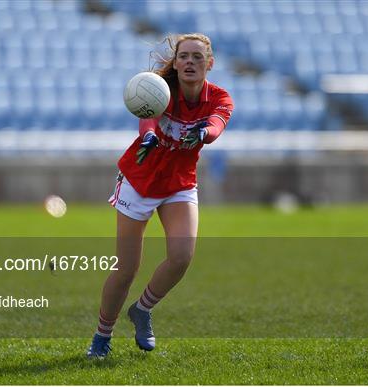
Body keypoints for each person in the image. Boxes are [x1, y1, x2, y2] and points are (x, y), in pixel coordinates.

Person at [87, 33, 234, 358]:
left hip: (179, 183)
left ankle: (142, 309)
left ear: (209, 64)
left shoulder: (220, 97)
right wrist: (150, 136)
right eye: (184, 56)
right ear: (176, 61)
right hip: (140, 180)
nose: (190, 62)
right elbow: (148, 119)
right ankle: (102, 336)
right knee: (126, 269)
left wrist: (205, 133)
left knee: (181, 257)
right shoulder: (158, 87)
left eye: (198, 57)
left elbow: (216, 124)